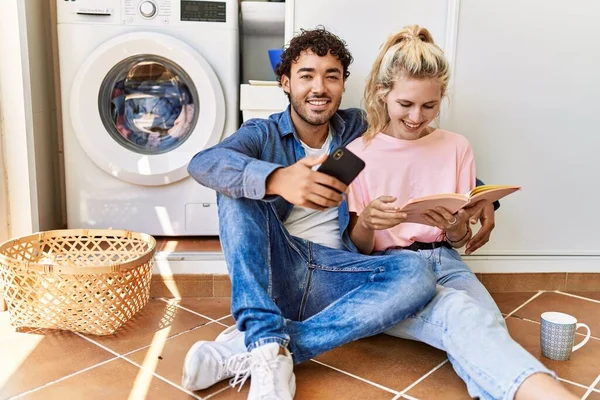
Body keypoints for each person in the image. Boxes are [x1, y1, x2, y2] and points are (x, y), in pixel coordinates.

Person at [183, 27, 440, 399]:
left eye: (331, 76)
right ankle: (263, 336)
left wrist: (480, 196)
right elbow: (204, 163)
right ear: (286, 83)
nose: (319, 88)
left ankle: (259, 348)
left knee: (417, 274)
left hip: (337, 274)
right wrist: (276, 179)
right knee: (236, 189)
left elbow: (420, 147)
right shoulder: (263, 134)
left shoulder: (358, 129)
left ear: (342, 83)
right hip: (278, 266)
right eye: (306, 76)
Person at [345, 25, 577, 400]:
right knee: (465, 316)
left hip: (446, 261)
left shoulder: (456, 146)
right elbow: (355, 249)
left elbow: (460, 239)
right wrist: (369, 222)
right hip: (391, 270)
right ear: (381, 93)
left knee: (488, 326)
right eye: (405, 104)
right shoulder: (356, 154)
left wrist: (455, 227)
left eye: (430, 105)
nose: (417, 117)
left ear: (441, 99)